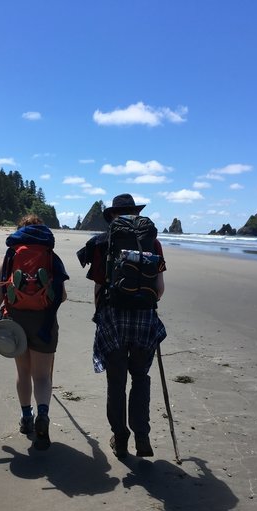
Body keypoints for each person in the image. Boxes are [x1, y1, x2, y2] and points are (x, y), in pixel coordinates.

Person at [77, 194, 166, 459]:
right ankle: (142, 436)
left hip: (113, 318)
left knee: (115, 382)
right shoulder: (154, 242)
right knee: (140, 377)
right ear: (136, 214)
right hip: (144, 318)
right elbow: (159, 290)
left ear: (114, 215)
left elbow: (98, 287)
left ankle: (121, 437)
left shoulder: (101, 243)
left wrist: (99, 316)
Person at [0, 215, 69, 450]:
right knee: (42, 376)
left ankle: (26, 418)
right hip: (45, 322)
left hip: (16, 321)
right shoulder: (51, 257)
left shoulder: (10, 256)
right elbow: (61, 295)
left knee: (23, 372)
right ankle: (43, 414)